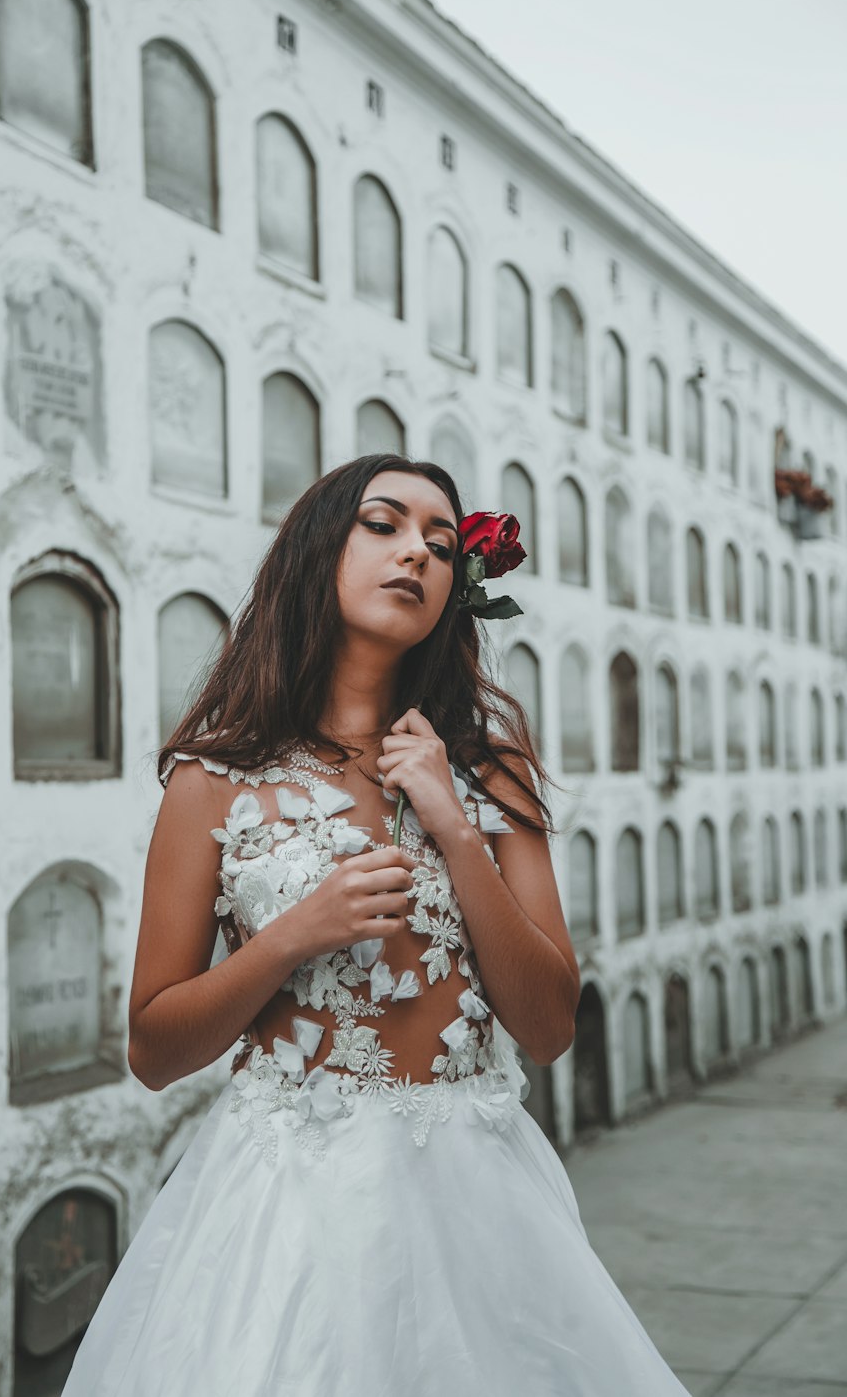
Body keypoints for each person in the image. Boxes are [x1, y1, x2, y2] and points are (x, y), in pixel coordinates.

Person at [62, 455, 692, 1396]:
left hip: (478, 1208)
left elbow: (550, 1028)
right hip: (291, 1212)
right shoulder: (212, 782)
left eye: (443, 544)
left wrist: (452, 823)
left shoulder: (490, 768)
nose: (418, 556)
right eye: (384, 525)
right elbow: (154, 1048)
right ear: (319, 553)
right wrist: (291, 936)